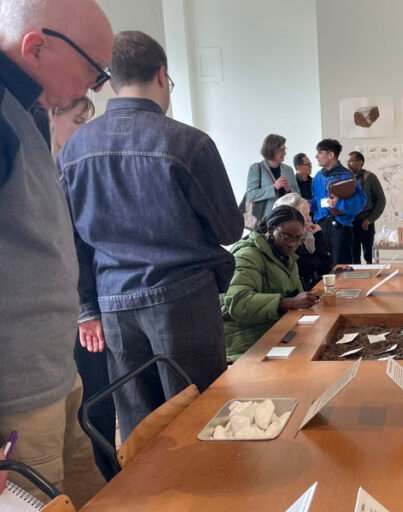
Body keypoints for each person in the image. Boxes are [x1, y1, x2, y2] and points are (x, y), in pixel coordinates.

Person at [58, 31, 244, 441]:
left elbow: (71, 243)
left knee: (141, 430)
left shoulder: (72, 150)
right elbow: (229, 229)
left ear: (110, 80)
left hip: (114, 304)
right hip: (182, 298)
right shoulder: (188, 143)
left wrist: (87, 309)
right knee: (201, 420)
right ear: (162, 75)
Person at [0, 0, 113, 505]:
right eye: (93, 70)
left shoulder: (27, 109)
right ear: (36, 46)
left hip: (53, 372)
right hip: (16, 394)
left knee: (91, 492)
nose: (94, 87)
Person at [51, 94, 117, 481]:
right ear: (51, 116)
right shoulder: (54, 171)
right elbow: (71, 247)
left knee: (96, 407)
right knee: (91, 407)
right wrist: (87, 310)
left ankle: (109, 480)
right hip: (76, 312)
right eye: (78, 119)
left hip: (84, 304)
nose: (85, 129)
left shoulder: (66, 166)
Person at [220, 206, 320, 361]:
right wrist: (287, 302)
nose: (292, 244)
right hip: (246, 341)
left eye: (298, 239)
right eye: (286, 236)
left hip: (274, 330)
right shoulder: (248, 255)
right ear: (271, 230)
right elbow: (238, 302)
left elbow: (294, 296)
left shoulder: (285, 256)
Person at [310, 138, 366, 265]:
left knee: (340, 268)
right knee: (322, 266)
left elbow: (360, 202)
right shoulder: (318, 176)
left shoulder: (347, 176)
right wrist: (309, 204)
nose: (316, 156)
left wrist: (339, 204)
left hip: (339, 229)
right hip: (320, 228)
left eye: (320, 152)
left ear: (330, 155)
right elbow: (317, 200)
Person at [273, 193, 333, 291]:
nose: (310, 219)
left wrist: (317, 234)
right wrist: (318, 235)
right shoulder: (291, 244)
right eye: (306, 215)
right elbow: (324, 267)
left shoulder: (306, 237)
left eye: (309, 214)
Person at [246, 134, 299, 222]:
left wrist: (288, 190)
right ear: (272, 150)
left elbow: (298, 196)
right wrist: (274, 188)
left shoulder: (289, 170)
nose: (285, 153)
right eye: (282, 150)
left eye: (285, 149)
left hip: (287, 219)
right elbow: (251, 195)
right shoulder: (256, 168)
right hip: (265, 221)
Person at [347, 151, 386, 264]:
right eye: (348, 161)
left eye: (351, 161)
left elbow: (381, 201)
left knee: (370, 256)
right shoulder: (346, 178)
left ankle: (373, 280)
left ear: (361, 162)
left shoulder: (370, 177)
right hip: (350, 223)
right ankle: (357, 281)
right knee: (354, 257)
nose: (349, 164)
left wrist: (370, 219)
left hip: (366, 223)